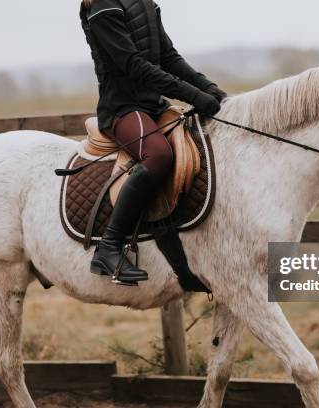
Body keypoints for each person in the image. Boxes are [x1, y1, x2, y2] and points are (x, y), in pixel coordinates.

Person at [80, 0, 227, 284]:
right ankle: (109, 247)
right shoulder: (103, 7)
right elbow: (133, 65)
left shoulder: (145, 3)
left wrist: (208, 87)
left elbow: (169, 56)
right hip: (122, 108)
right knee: (158, 154)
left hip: (153, 106)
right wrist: (192, 96)